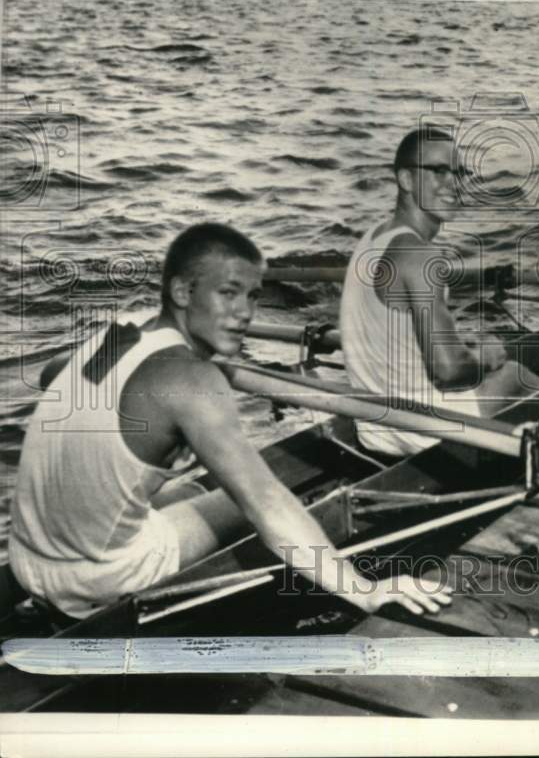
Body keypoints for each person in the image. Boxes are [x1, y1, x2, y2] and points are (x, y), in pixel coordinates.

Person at [8, 223, 451, 620]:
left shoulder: (122, 332)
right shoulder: (192, 380)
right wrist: (367, 592)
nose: (245, 313)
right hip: (95, 584)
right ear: (183, 292)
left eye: (253, 295)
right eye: (228, 293)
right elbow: (267, 503)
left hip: (27, 564)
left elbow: (53, 376)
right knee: (254, 497)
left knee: (178, 487)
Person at [340, 126, 539, 458]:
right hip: (422, 434)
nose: (453, 183)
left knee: (483, 355)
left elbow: (399, 339)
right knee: (514, 374)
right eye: (438, 171)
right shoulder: (420, 255)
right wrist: (486, 358)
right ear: (405, 180)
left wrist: (462, 348)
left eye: (458, 172)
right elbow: (447, 372)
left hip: (374, 431)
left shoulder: (371, 240)